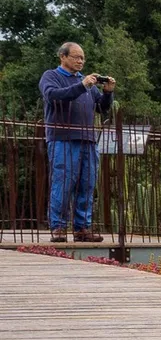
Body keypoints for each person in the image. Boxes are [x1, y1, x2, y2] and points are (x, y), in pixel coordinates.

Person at [39, 42, 114, 242]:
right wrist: (82, 86)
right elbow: (53, 96)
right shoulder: (51, 76)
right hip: (62, 139)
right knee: (62, 183)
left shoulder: (86, 82)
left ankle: (82, 228)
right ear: (63, 57)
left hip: (88, 140)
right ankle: (59, 227)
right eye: (76, 57)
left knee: (87, 185)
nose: (80, 61)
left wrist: (107, 93)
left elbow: (101, 108)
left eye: (82, 58)